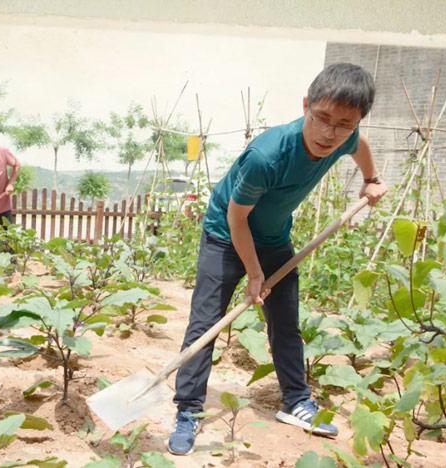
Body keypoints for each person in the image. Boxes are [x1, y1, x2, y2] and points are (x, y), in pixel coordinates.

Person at [166, 63, 389, 455]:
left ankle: (296, 402)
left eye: (343, 124)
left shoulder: (346, 138)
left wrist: (371, 180)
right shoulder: (266, 156)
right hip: (225, 235)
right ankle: (188, 409)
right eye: (321, 119)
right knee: (206, 323)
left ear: (355, 122)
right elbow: (237, 219)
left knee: (286, 324)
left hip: (273, 239)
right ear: (305, 106)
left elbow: (361, 146)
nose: (329, 133)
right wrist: (254, 274)